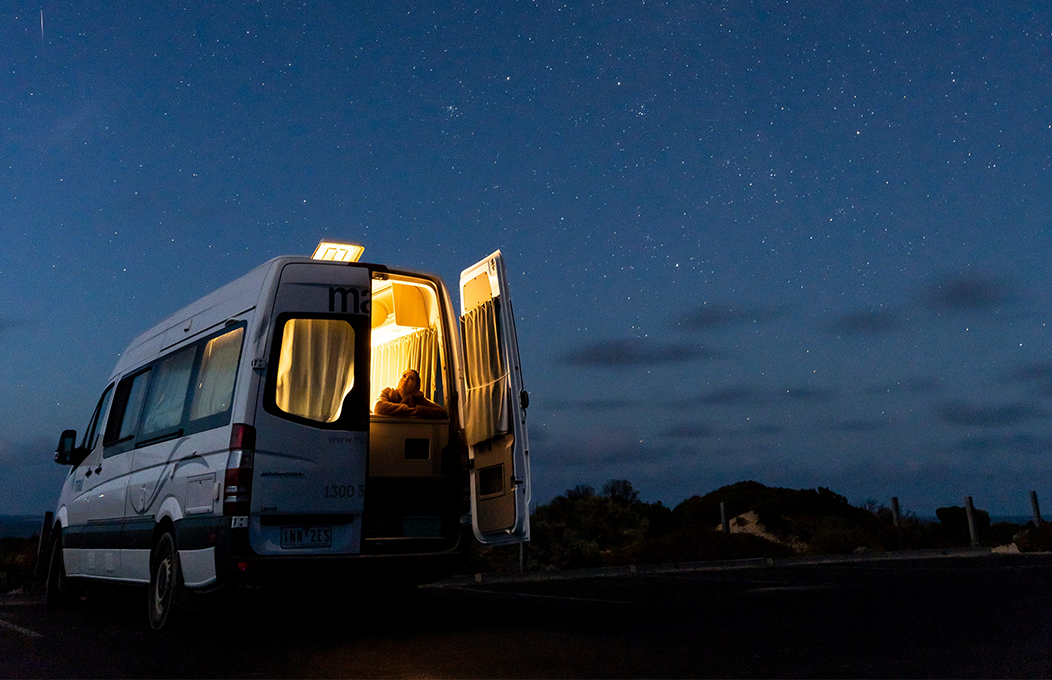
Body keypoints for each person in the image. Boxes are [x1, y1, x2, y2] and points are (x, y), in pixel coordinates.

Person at [373, 369, 447, 418]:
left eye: (411, 378)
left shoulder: (417, 400)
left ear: (416, 387)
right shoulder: (388, 392)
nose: (406, 380)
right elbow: (378, 407)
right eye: (404, 376)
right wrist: (409, 410)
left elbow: (442, 413)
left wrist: (419, 410)